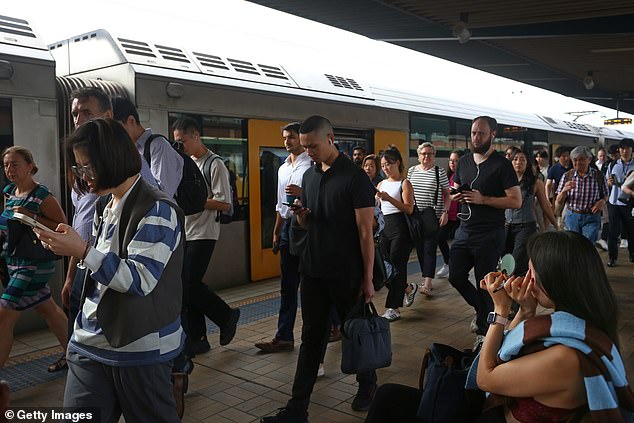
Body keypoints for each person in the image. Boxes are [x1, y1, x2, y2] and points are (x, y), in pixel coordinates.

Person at [364, 231, 634, 422]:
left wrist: (501, 311)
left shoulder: (567, 358)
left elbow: (486, 377)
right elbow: (507, 351)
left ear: (557, 281)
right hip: (493, 409)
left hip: (489, 413)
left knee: (389, 400)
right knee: (389, 397)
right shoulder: (579, 329)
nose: (525, 279)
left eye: (532, 273)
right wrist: (526, 311)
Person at [40, 118, 183, 423]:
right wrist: (75, 250)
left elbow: (140, 279)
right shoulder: (107, 204)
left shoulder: (158, 208)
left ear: (113, 157)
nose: (83, 175)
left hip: (139, 348)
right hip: (87, 344)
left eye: (88, 166)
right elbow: (99, 264)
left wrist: (81, 250)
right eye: (78, 167)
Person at [260, 115, 376, 422]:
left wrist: (367, 278)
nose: (308, 151)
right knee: (311, 338)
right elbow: (306, 222)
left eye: (313, 145)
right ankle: (297, 408)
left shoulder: (354, 178)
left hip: (346, 273)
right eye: (305, 145)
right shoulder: (309, 176)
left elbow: (366, 232)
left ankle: (368, 385)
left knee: (355, 333)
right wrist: (301, 215)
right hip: (312, 270)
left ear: (330, 138)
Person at [62, 89, 159, 373]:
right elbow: (86, 230)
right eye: (75, 114)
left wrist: (81, 253)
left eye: (86, 113)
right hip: (89, 266)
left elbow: (140, 276)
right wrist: (72, 273)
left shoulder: (136, 178)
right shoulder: (89, 180)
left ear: (108, 116)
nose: (79, 120)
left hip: (117, 275)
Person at [449, 116, 520, 347]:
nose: (476, 137)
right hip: (464, 231)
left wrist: (484, 199)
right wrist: (453, 195)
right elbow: (455, 190)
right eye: (473, 133)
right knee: (455, 276)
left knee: (484, 282)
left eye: (481, 133)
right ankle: (482, 309)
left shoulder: (502, 165)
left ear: (493, 135)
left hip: (489, 234)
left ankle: (483, 330)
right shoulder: (464, 162)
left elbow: (516, 201)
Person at [172, 117, 240, 353]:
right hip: (187, 232)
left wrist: (197, 201)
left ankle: (226, 316)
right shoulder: (185, 164)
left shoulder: (214, 164)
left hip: (205, 232)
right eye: (176, 142)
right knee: (187, 285)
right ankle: (198, 338)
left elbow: (224, 203)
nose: (179, 147)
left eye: (182, 141)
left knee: (189, 283)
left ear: (195, 136)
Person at [0, 147, 68, 369]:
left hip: (33, 265)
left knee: (4, 316)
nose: (10, 169)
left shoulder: (42, 196)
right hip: (13, 263)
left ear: (30, 166)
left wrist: (32, 215)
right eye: (6, 164)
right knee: (47, 308)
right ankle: (76, 355)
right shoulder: (9, 192)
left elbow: (63, 228)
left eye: (15, 164)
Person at [255, 122, 311, 353]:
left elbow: (321, 196)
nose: (287, 142)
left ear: (302, 138)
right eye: (285, 138)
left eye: (291, 137)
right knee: (288, 286)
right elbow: (280, 204)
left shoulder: (313, 164)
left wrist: (303, 194)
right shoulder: (282, 168)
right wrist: (277, 231)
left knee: (311, 283)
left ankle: (332, 326)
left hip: (308, 225)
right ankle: (284, 336)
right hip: (289, 226)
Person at [112, 97, 182, 199]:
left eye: (115, 130)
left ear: (131, 121)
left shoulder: (159, 146)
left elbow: (163, 195)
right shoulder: (130, 149)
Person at [376, 147, 415, 320]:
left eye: (388, 164)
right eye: (383, 165)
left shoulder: (404, 183)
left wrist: (389, 198)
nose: (385, 168)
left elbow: (409, 208)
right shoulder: (381, 184)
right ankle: (408, 288)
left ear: (397, 163)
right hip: (385, 229)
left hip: (401, 229)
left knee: (398, 268)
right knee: (385, 267)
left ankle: (393, 308)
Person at [407, 142, 450, 296]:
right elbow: (407, 191)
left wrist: (445, 211)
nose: (426, 156)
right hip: (415, 216)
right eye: (423, 153)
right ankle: (426, 277)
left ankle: (427, 283)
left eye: (430, 154)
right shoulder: (412, 171)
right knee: (419, 248)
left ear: (434, 156)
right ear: (419, 156)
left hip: (433, 216)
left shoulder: (439, 172)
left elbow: (447, 194)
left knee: (429, 249)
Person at [505, 149, 557, 276]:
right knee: (505, 262)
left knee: (517, 262)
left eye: (522, 159)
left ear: (528, 163)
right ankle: (511, 290)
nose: (518, 162)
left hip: (526, 226)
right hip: (506, 226)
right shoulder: (504, 181)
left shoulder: (535, 182)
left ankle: (520, 291)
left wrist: (555, 224)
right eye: (515, 159)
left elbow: (545, 205)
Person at [555, 146, 608, 244]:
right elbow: (558, 200)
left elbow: (606, 194)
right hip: (572, 216)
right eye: (575, 160)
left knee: (587, 246)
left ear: (589, 160)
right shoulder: (567, 176)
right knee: (573, 245)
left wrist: (602, 201)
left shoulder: (599, 176)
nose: (578, 163)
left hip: (591, 217)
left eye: (582, 159)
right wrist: (564, 191)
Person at [605, 138, 634, 267]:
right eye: (622, 149)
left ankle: (632, 255)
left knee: (631, 232)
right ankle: (612, 258)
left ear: (632, 150)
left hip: (630, 203)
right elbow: (607, 181)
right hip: (614, 202)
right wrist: (610, 183)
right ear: (619, 150)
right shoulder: (612, 165)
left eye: (627, 148)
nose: (625, 151)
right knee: (612, 232)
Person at [435, 150, 462, 279]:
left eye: (456, 160)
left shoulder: (464, 176)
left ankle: (457, 267)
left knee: (458, 245)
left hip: (459, 216)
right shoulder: (446, 176)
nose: (453, 163)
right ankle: (448, 263)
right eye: (451, 160)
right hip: (447, 215)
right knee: (440, 237)